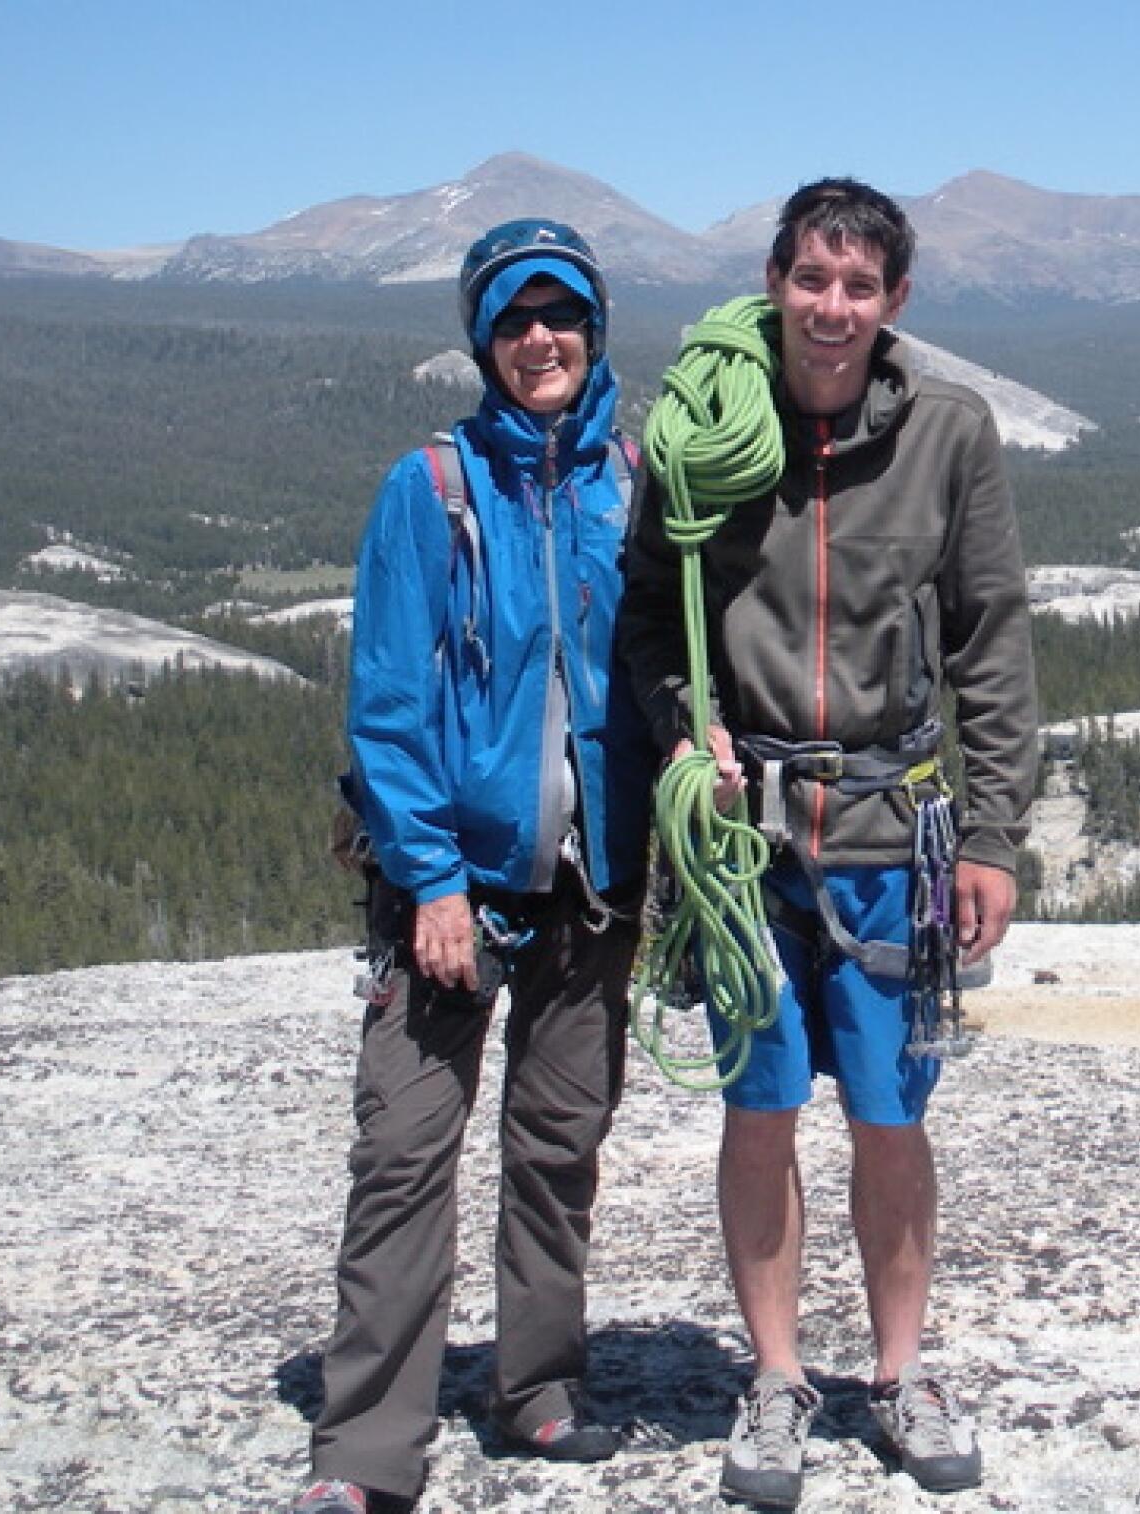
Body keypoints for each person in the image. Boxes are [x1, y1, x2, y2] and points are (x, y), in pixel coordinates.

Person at [619, 178, 1038, 1507]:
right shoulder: (701, 425)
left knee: (888, 1116)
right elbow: (645, 618)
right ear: (776, 280)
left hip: (885, 829)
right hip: (744, 842)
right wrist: (690, 729)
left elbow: (990, 638)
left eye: (861, 287)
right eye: (814, 281)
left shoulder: (948, 435)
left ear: (894, 302)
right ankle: (779, 1376)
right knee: (757, 1114)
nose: (834, 308)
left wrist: (994, 834)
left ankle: (902, 1372)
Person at [294, 219, 653, 1514]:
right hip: (451, 895)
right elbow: (389, 709)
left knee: (559, 1148)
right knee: (404, 1157)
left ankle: (538, 1387)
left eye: (560, 313)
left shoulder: (633, 474)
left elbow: (661, 673)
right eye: (513, 319)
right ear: (482, 339)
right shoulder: (432, 488)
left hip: (591, 886)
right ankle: (367, 1449)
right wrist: (431, 878)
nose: (539, 338)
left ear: (594, 328)